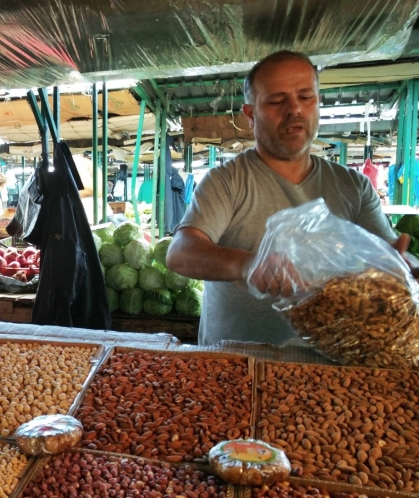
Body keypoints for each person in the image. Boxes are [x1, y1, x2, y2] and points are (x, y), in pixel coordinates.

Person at [166, 50, 416, 347]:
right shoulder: (227, 181)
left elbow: (388, 256)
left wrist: (401, 268)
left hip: (331, 362)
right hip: (234, 361)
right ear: (250, 115)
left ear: (318, 103)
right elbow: (180, 252)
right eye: (276, 101)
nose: (294, 109)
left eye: (306, 97)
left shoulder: (354, 186)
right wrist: (249, 265)